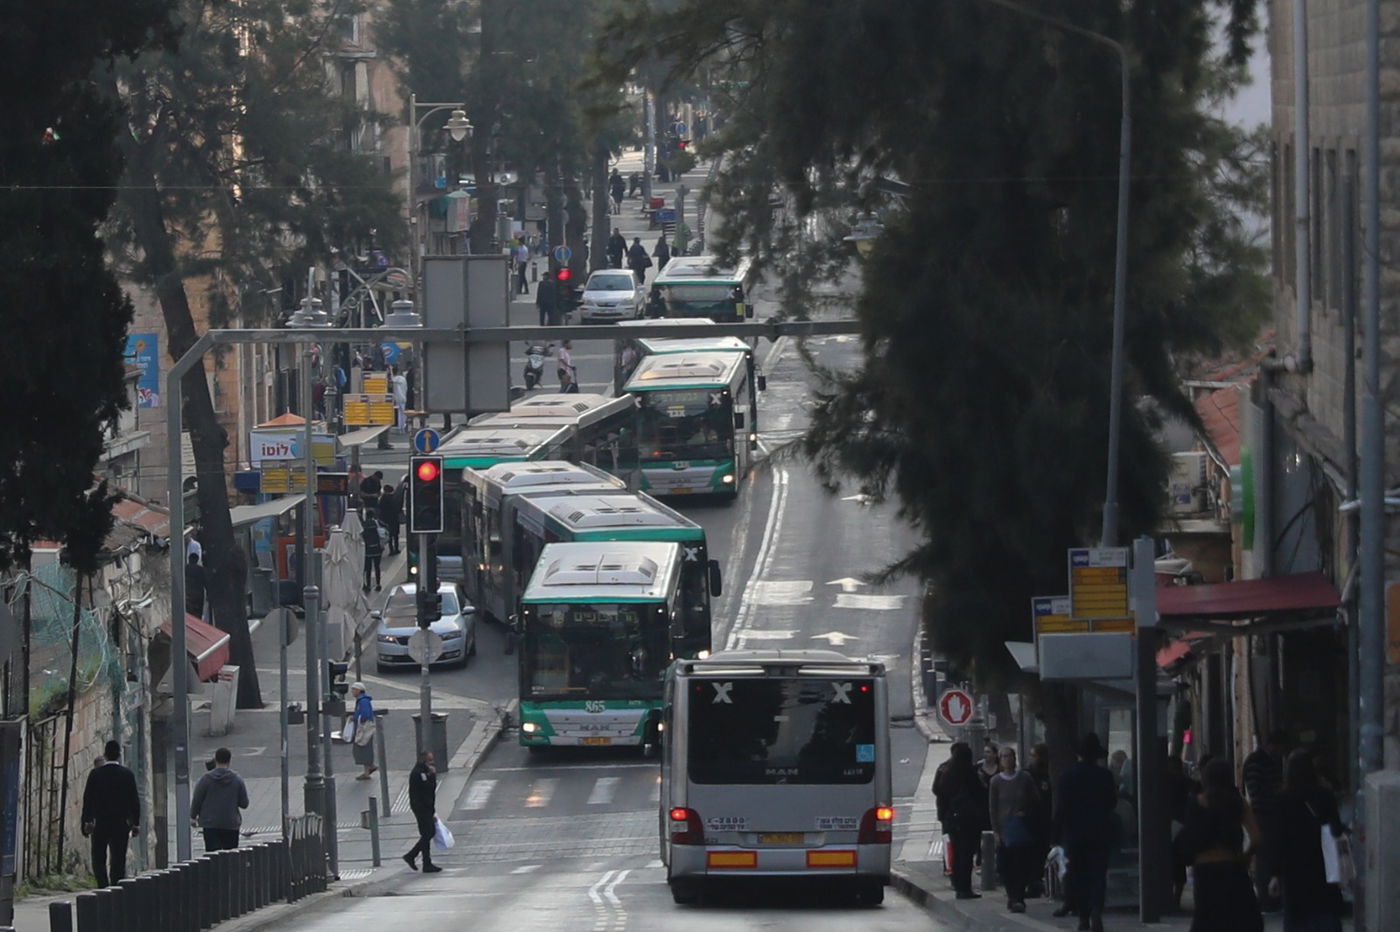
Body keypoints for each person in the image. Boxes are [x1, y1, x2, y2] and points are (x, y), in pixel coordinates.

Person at [1178, 757, 1262, 932]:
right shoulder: (1238, 803)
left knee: (1207, 921)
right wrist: (1245, 858)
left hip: (1204, 871)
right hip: (1232, 867)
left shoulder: (1194, 803)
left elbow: (1189, 837)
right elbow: (1256, 838)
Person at [1274, 748, 1345, 931]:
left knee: (1297, 920)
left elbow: (1277, 840)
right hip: (1322, 867)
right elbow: (1336, 829)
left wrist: (1275, 874)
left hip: (1293, 871)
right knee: (1325, 916)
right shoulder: (1325, 796)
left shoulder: (1282, 800)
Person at [1053, 733, 1117, 932]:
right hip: (1099, 832)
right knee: (1098, 875)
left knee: (1079, 876)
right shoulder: (1104, 776)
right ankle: (1097, 910)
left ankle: (1083, 917)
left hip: (1075, 833)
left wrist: (1055, 835)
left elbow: (1061, 808)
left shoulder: (1067, 777)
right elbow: (1112, 803)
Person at [81, 740, 140, 888]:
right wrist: (135, 823)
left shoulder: (95, 774)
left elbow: (88, 799)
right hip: (121, 824)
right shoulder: (127, 775)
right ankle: (115, 886)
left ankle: (102, 885)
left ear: (105, 755)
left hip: (101, 823)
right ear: (119, 755)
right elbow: (134, 801)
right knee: (118, 858)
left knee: (99, 858)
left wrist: (87, 821)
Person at [988, 747, 1039, 913]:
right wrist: (996, 831)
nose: (1007, 759)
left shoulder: (1025, 778)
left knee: (1021, 864)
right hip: (1004, 829)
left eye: (1009, 756)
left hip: (1021, 828)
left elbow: (1036, 800)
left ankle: (1019, 898)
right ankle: (1012, 896)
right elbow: (992, 808)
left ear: (1014, 758)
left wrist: (1026, 812)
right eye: (1003, 757)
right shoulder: (995, 781)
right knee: (1005, 866)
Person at [933, 741, 985, 900]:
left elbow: (936, 790)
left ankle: (956, 883)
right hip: (968, 819)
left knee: (953, 851)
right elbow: (980, 793)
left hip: (950, 818)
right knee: (966, 853)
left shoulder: (944, 769)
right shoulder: (969, 772)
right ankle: (965, 887)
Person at [1243, 729, 1287, 911]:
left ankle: (1269, 897)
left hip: (1269, 815)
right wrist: (1280, 792)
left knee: (1269, 857)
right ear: (1274, 745)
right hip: (1264, 816)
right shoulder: (1257, 762)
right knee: (1265, 858)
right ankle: (1265, 898)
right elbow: (1258, 792)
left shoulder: (1267, 761)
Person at [190, 747, 249, 852]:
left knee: (213, 857)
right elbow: (244, 804)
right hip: (230, 824)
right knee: (230, 857)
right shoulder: (237, 779)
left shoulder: (205, 779)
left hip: (210, 824)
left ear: (215, 760)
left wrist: (193, 817)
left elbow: (197, 799)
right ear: (229, 761)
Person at [403, 750, 443, 872]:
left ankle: (423, 861)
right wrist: (432, 776)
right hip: (421, 808)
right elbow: (428, 789)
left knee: (428, 833)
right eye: (430, 760)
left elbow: (430, 792)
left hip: (426, 807)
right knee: (428, 833)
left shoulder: (424, 772)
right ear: (423, 760)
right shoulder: (419, 773)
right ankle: (414, 856)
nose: (432, 763)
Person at [1026, 743, 1053, 898]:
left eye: (1034, 755)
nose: (1033, 759)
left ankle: (1041, 883)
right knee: (1033, 855)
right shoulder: (1028, 774)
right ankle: (1034, 884)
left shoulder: (1047, 774)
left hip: (1045, 820)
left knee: (1043, 853)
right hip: (1033, 821)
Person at [349, 683, 378, 780]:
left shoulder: (363, 701)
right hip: (364, 728)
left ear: (359, 690)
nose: (352, 691)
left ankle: (370, 767)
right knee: (364, 747)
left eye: (354, 689)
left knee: (363, 746)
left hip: (364, 729)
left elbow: (364, 715)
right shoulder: (362, 700)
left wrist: (356, 718)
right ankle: (367, 770)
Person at [362, 509, 384, 592]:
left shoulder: (363, 525)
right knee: (377, 567)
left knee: (368, 568)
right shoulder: (377, 523)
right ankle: (378, 584)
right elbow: (385, 528)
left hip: (368, 549)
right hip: (377, 548)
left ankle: (368, 585)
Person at [377, 485, 402, 556]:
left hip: (386, 518)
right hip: (394, 517)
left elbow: (380, 506)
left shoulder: (383, 498)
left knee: (389, 535)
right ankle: (396, 548)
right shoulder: (395, 497)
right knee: (396, 534)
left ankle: (391, 549)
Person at [184, 552, 206, 618]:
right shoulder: (201, 570)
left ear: (189, 559)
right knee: (198, 614)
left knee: (188, 614)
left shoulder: (185, 568)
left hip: (188, 594)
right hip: (198, 594)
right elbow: (205, 581)